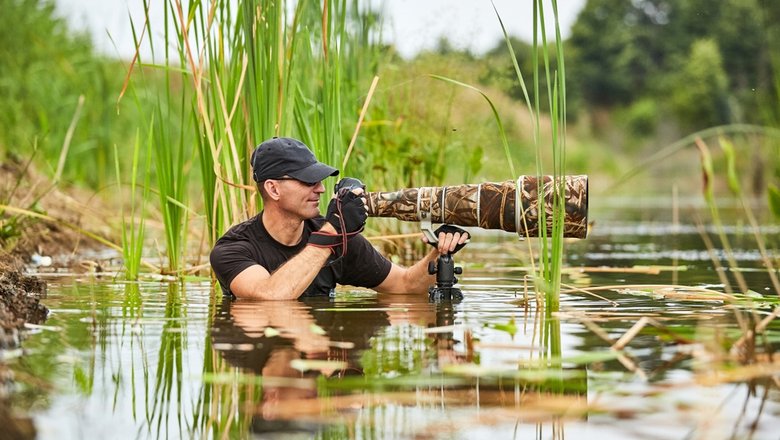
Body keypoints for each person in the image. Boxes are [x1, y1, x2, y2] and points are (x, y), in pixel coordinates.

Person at [209, 136, 469, 300]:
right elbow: (271, 296)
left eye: (320, 180)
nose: (320, 189)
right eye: (307, 181)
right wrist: (332, 231)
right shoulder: (232, 249)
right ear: (273, 189)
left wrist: (439, 254)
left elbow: (404, 286)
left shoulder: (338, 237)